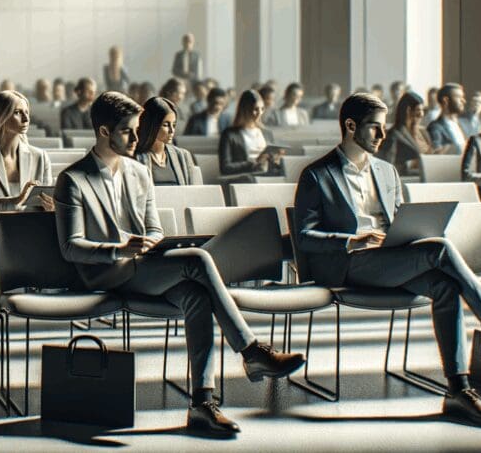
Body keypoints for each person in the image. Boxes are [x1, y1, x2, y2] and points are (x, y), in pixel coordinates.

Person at [294, 93, 481, 428]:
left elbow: (397, 219)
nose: (382, 135)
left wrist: (406, 235)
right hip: (347, 264)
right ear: (350, 126)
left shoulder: (387, 171)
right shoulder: (317, 175)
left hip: (387, 259)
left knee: (445, 285)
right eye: (374, 128)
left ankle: (459, 391)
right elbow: (304, 238)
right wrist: (352, 239)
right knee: (439, 250)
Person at [55, 91, 305, 436]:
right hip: (106, 273)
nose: (135, 137)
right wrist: (119, 249)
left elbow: (154, 226)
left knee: (196, 296)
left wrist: (154, 242)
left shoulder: (138, 173)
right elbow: (71, 247)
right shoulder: (73, 180)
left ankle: (202, 404)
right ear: (102, 131)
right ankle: (251, 351)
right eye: (127, 131)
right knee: (199, 259)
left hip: (144, 268)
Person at [0, 91, 54, 222]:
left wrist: (52, 206)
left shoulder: (40, 157)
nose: (26, 119)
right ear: (1, 117)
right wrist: (17, 200)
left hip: (34, 229)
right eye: (18, 112)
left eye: (26, 112)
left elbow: (48, 203)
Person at [377, 91, 447, 178]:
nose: (421, 114)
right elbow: (386, 167)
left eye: (423, 110)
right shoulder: (393, 136)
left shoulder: (424, 133)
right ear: (408, 110)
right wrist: (410, 164)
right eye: (418, 110)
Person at [135, 97, 199, 186]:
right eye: (166, 125)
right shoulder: (136, 157)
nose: (172, 130)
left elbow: (194, 192)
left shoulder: (182, 156)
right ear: (152, 125)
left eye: (174, 125)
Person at [220, 90, 281, 179]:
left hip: (266, 177)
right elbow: (225, 167)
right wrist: (253, 163)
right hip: (243, 178)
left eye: (262, 109)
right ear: (245, 109)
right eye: (255, 109)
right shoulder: (230, 134)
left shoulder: (267, 133)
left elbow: (273, 166)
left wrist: (276, 159)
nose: (260, 113)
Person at [427, 83, 468, 153]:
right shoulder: (435, 128)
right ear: (446, 100)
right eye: (458, 97)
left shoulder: (462, 125)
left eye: (463, 97)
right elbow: (436, 152)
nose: (463, 101)